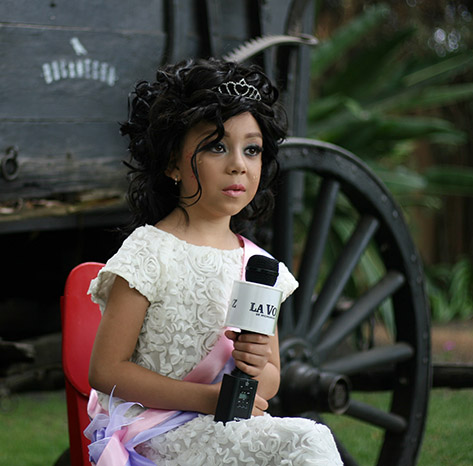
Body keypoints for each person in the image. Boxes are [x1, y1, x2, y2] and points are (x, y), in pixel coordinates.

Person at [85, 58, 342, 465]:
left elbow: (270, 379)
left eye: (252, 149)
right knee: (307, 441)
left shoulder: (258, 264)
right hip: (155, 432)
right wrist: (206, 398)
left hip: (226, 425)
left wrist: (255, 365)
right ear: (173, 162)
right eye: (217, 146)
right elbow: (106, 371)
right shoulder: (150, 252)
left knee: (306, 440)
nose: (238, 163)